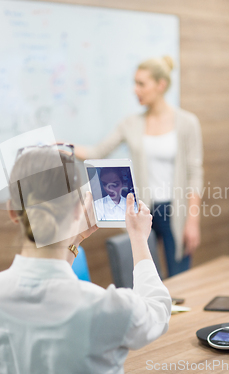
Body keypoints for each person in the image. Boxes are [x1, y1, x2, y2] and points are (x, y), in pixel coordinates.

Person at [0, 145, 171, 374]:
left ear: (13, 212)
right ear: (76, 209)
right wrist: (139, 237)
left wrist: (75, 240)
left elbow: (46, 284)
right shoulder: (106, 307)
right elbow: (157, 310)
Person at [75, 56, 203, 276]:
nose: (136, 90)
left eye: (141, 84)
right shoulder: (130, 124)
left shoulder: (187, 122)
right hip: (143, 210)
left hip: (176, 211)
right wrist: (65, 148)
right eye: (135, 83)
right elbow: (96, 152)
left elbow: (195, 173)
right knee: (145, 274)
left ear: (160, 85)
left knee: (181, 277)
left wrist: (193, 221)